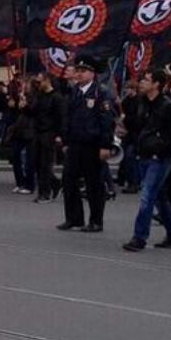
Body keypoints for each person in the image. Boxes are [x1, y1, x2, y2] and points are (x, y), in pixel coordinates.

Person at [57, 56, 115, 233]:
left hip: (92, 144)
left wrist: (105, 145)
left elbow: (107, 121)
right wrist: (65, 140)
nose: (79, 74)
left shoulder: (101, 92)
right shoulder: (74, 91)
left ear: (92, 73)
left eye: (83, 71)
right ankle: (74, 218)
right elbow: (67, 118)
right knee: (68, 180)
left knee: (94, 184)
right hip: (75, 143)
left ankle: (96, 221)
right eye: (78, 70)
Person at [123, 69, 171, 251]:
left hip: (159, 158)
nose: (142, 83)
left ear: (156, 84)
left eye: (146, 80)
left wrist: (160, 151)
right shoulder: (142, 103)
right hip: (144, 154)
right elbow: (139, 126)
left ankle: (139, 237)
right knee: (159, 197)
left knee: (147, 197)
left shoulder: (168, 107)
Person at [26, 72, 65, 203]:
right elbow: (33, 112)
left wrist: (59, 135)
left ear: (47, 81)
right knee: (36, 163)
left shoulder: (56, 98)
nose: (38, 84)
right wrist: (24, 106)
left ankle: (45, 193)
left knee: (45, 164)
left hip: (49, 134)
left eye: (40, 81)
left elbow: (61, 118)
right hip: (38, 132)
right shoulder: (39, 96)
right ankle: (55, 184)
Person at [119, 79, 141, 194]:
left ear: (133, 89)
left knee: (130, 157)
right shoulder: (125, 101)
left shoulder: (139, 102)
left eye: (128, 88)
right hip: (127, 134)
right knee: (126, 158)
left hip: (135, 134)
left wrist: (125, 118)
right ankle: (125, 179)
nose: (126, 90)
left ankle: (133, 183)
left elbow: (137, 120)